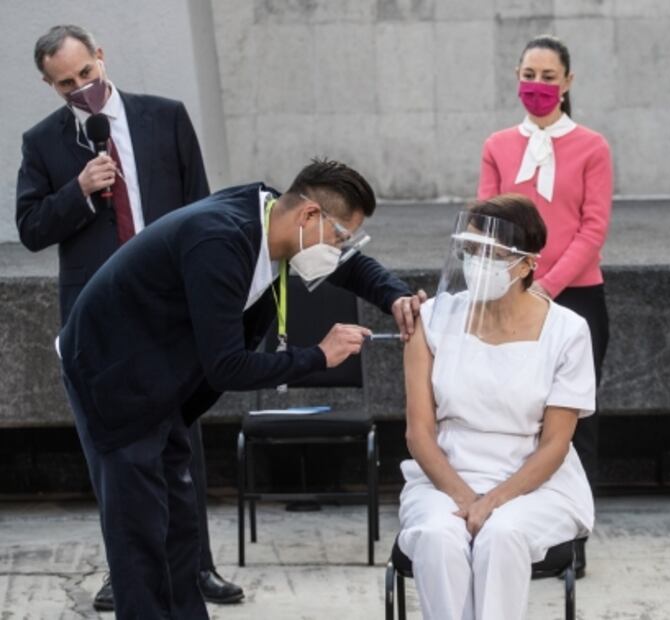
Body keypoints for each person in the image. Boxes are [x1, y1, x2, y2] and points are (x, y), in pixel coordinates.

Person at [57, 159, 425, 618]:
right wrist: (319, 355)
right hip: (111, 375)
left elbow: (353, 268)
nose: (339, 250)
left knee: (179, 524)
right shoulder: (220, 241)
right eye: (339, 237)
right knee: (139, 534)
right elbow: (227, 367)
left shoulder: (273, 215)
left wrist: (395, 296)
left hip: (161, 374)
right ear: (309, 216)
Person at [15, 24, 242, 609]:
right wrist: (79, 190)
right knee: (113, 455)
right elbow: (31, 228)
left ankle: (197, 568)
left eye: (85, 74)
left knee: (181, 443)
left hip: (170, 310)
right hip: (100, 324)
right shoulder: (42, 142)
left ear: (100, 57)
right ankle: (128, 569)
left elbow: (203, 206)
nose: (80, 88)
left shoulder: (163, 118)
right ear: (49, 84)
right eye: (65, 83)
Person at [399, 194, 596, 619]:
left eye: (491, 253)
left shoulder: (567, 331)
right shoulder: (431, 318)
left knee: (501, 535)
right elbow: (419, 433)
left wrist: (494, 501)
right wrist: (466, 497)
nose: (477, 262)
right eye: (470, 250)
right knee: (438, 536)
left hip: (534, 481)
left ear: (527, 264)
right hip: (443, 474)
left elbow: (555, 444)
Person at [477, 34, 611, 495]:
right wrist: (514, 282)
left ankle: (573, 529)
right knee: (514, 409)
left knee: (573, 415)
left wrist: (546, 286)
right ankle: (512, 509)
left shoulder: (593, 146)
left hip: (575, 294)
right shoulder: (497, 144)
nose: (538, 84)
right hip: (509, 294)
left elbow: (592, 230)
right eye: (529, 75)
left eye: (548, 77)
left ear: (568, 82)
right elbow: (488, 222)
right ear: (517, 77)